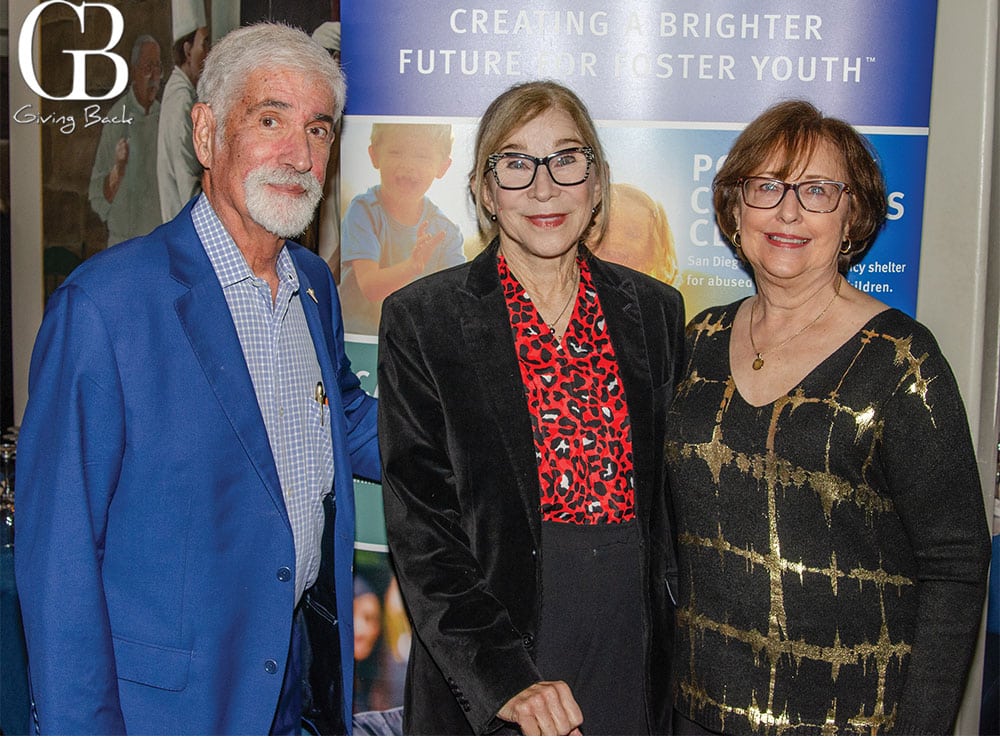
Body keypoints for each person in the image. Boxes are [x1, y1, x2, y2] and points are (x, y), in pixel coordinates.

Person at [15, 22, 380, 735]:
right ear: (207, 135)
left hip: (294, 688)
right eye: (269, 119)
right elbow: (58, 567)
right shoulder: (104, 308)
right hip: (168, 710)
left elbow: (346, 416)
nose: (299, 154)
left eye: (318, 129)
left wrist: (475, 427)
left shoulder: (311, 283)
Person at [665, 99, 991, 735]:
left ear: (854, 215)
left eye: (817, 190)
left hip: (851, 716)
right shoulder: (695, 341)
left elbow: (955, 559)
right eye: (767, 187)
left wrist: (923, 726)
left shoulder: (901, 359)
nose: (788, 211)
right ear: (735, 211)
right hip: (699, 708)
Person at [378, 80, 686, 735]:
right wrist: (507, 679)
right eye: (515, 163)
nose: (543, 189)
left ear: (596, 181)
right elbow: (424, 538)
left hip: (630, 650)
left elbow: (673, 506)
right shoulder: (422, 321)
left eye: (566, 159)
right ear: (484, 191)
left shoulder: (656, 312)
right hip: (499, 659)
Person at [339, 122, 465, 334]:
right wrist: (412, 267)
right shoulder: (364, 211)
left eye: (422, 156)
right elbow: (370, 287)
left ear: (443, 167)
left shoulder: (447, 232)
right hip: (358, 339)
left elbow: (455, 299)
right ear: (374, 156)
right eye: (396, 152)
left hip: (410, 346)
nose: (408, 165)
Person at [88, 34, 163, 246]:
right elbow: (97, 193)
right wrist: (118, 169)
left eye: (158, 68)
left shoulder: (165, 116)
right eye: (148, 67)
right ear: (134, 71)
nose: (154, 76)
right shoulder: (117, 117)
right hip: (125, 242)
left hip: (158, 240)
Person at [157, 0, 210, 222]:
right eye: (204, 45)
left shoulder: (184, 94)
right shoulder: (180, 102)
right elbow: (188, 184)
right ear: (188, 50)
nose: (209, 53)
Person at [596, 182, 679, 285]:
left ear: (652, 249)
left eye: (632, 234)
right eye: (605, 230)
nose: (616, 240)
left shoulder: (661, 299)